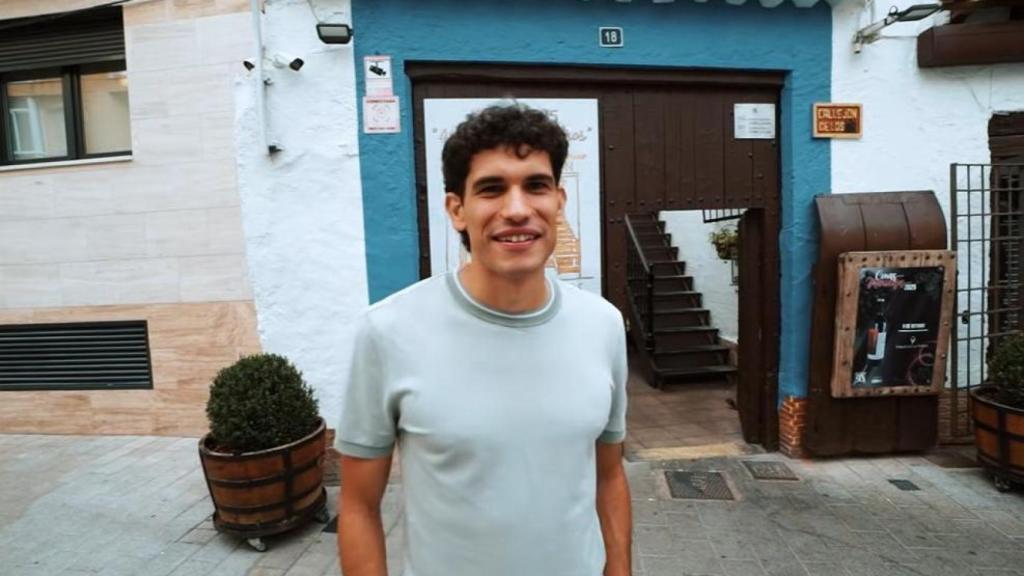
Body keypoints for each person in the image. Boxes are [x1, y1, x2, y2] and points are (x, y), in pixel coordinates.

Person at [336, 103, 632, 576]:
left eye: (535, 186)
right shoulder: (387, 332)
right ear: (457, 209)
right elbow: (357, 506)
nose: (517, 210)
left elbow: (609, 474)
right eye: (492, 189)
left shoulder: (603, 325)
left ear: (559, 200)